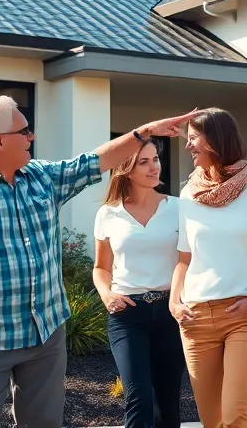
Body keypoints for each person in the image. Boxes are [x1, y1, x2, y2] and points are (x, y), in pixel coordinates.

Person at [0, 96, 200, 428]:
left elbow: (94, 161)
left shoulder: (42, 178)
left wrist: (143, 132)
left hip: (45, 337)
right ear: (0, 141)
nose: (31, 137)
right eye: (25, 131)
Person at [169, 108, 247, 428]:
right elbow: (185, 258)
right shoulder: (188, 194)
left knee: (235, 416)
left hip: (244, 316)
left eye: (194, 138)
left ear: (216, 139)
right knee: (212, 421)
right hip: (196, 320)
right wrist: (174, 300)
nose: (188, 146)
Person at [93, 139, 184, 428]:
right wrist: (107, 294)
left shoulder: (178, 208)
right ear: (126, 169)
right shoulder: (108, 213)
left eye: (155, 159)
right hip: (128, 315)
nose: (154, 166)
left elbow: (187, 260)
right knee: (138, 396)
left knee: (167, 404)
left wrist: (180, 298)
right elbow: (101, 268)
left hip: (171, 312)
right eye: (143, 162)